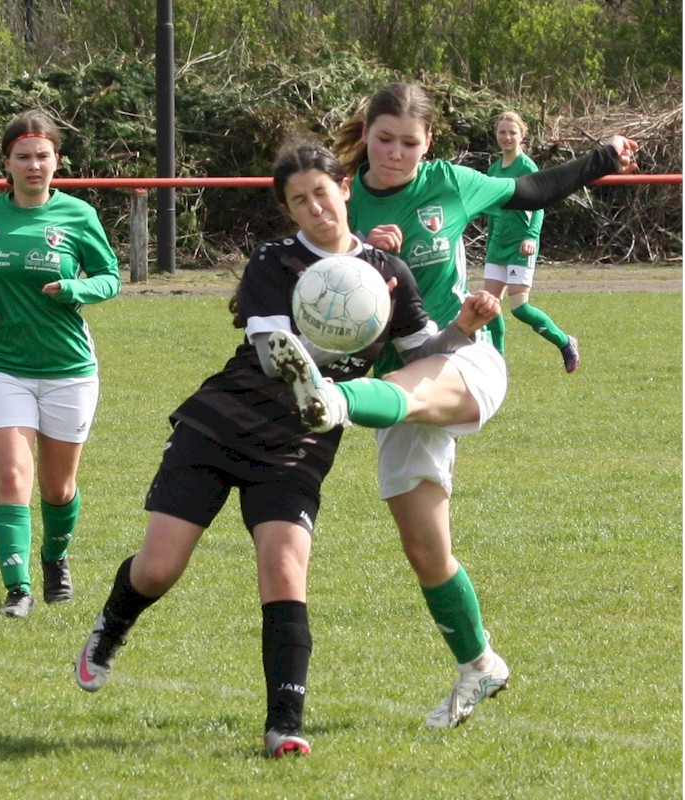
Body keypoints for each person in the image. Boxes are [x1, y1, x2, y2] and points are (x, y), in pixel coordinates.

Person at [73, 139, 501, 758]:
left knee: (284, 570)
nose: (315, 208)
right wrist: (332, 355)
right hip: (220, 426)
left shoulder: (388, 274)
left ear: (344, 190)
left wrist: (460, 330)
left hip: (300, 443)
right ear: (289, 210)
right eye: (299, 201)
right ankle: (113, 624)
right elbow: (278, 356)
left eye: (322, 193)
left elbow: (417, 361)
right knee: (159, 568)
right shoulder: (274, 262)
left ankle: (284, 727)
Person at [324, 81, 637, 729]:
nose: (394, 153)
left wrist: (600, 158)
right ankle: (478, 664)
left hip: (463, 358)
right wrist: (356, 252)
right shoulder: (341, 196)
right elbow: (318, 285)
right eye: (384, 139)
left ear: (428, 142)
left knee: (383, 395)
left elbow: (529, 193)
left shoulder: (450, 182)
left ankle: (328, 402)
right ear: (369, 132)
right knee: (424, 550)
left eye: (409, 142)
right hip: (393, 384)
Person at [0, 110, 121, 619]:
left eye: (42, 155)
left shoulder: (78, 216)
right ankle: (17, 586)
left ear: (56, 162)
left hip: (69, 368)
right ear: (7, 163)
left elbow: (110, 277)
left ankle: (55, 557)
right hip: (3, 365)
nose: (33, 164)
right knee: (11, 476)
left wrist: (76, 287)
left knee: (57, 487)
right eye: (23, 156)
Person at [483, 111, 579, 370]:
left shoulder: (526, 167)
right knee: (490, 307)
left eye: (512, 132)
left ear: (522, 135)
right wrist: (490, 241)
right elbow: (493, 209)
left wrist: (531, 236)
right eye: (502, 132)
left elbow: (539, 205)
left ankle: (565, 341)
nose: (506, 137)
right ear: (496, 135)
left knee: (519, 308)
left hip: (520, 245)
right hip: (498, 245)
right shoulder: (493, 170)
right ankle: (497, 363)